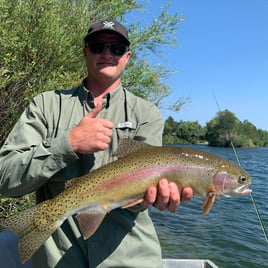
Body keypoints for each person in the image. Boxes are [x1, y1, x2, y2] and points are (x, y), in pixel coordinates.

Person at [0, 19, 193, 268]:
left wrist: (154, 198)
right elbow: (4, 178)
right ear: (85, 51)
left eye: (116, 49)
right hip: (57, 259)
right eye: (98, 46)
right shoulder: (46, 106)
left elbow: (142, 197)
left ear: (127, 56)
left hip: (130, 259)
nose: (107, 54)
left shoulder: (146, 114)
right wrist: (66, 144)